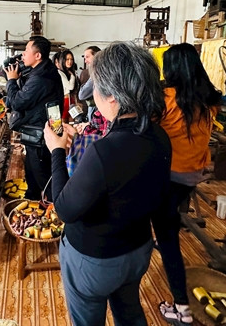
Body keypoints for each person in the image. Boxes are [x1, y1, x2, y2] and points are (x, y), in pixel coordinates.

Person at [43, 42, 173, 326]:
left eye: (97, 87)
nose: (94, 94)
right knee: (129, 312)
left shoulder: (104, 151)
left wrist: (57, 150)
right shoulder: (159, 136)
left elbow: (64, 209)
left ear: (112, 96)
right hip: (137, 250)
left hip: (95, 259)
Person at [157, 43, 223, 326]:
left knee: (167, 236)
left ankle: (182, 309)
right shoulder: (208, 98)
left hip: (167, 175)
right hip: (193, 174)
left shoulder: (166, 97)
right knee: (168, 218)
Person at [5, 36, 64, 199]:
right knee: (32, 174)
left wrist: (11, 81)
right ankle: (32, 198)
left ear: (38, 55)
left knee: (43, 177)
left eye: (26, 51)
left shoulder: (40, 78)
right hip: (41, 132)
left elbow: (17, 102)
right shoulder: (45, 71)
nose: (23, 54)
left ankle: (56, 207)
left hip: (40, 135)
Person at [78, 45, 101, 121]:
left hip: (97, 114)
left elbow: (82, 94)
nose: (85, 61)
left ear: (96, 56)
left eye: (87, 57)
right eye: (84, 58)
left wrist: (82, 86)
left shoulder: (97, 73)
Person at [58, 50, 79, 122]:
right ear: (62, 60)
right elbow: (70, 87)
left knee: (72, 123)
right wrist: (73, 76)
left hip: (72, 100)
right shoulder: (60, 72)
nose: (70, 61)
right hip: (64, 100)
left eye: (71, 59)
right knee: (64, 123)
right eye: (67, 59)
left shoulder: (70, 72)